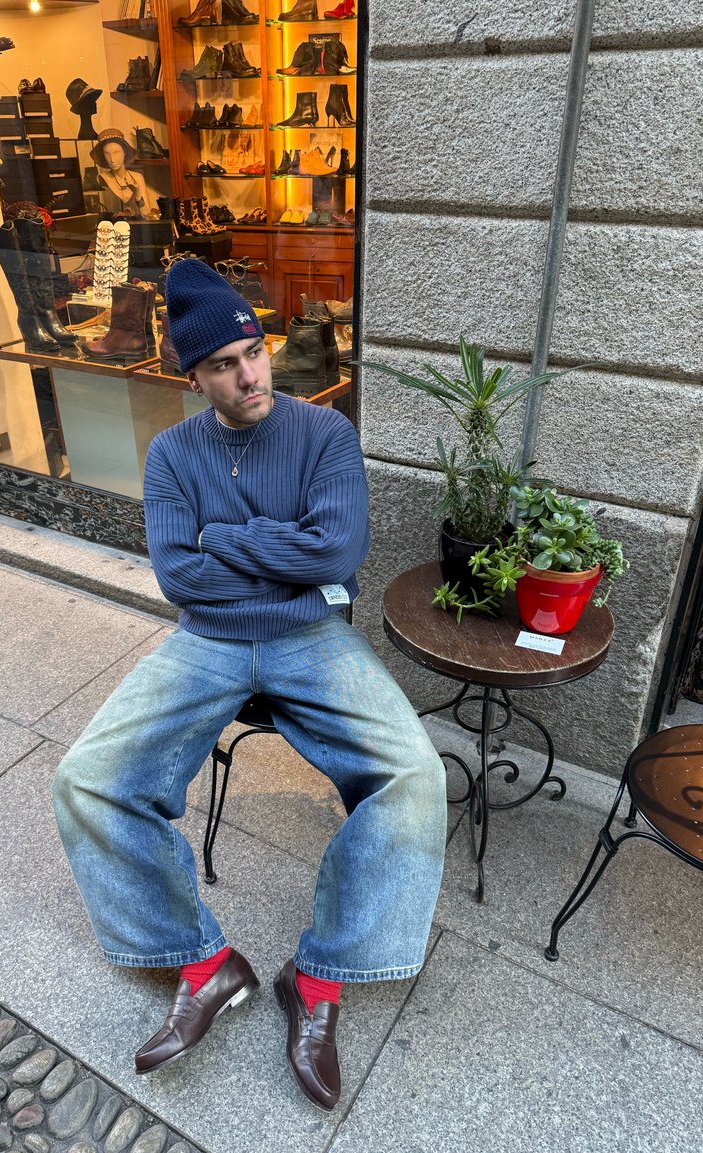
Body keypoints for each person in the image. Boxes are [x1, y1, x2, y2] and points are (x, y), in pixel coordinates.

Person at [52, 259, 447, 1112]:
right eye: (225, 365)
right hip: (207, 641)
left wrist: (225, 538)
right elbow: (178, 576)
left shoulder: (325, 433)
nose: (250, 374)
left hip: (311, 636)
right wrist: (281, 550)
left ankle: (319, 976)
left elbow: (337, 553)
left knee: (416, 777)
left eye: (254, 351)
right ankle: (203, 963)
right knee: (85, 778)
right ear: (194, 378)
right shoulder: (171, 455)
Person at [90, 127, 155, 218]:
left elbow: (146, 215)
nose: (112, 159)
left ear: (124, 152)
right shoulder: (103, 178)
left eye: (116, 152)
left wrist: (137, 195)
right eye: (107, 154)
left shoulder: (137, 177)